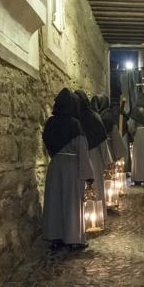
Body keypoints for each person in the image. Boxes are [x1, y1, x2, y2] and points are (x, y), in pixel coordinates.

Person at [42, 89, 94, 250]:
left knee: (55, 202)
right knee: (72, 204)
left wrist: (56, 156)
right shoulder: (74, 124)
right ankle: (73, 238)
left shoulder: (50, 123)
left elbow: (47, 143)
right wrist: (88, 175)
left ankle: (55, 237)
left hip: (56, 164)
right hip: (71, 166)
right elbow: (82, 148)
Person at [74, 90, 113, 211]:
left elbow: (101, 138)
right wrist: (107, 160)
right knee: (92, 185)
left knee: (94, 186)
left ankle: (94, 217)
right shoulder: (92, 116)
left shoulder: (79, 118)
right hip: (92, 156)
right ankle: (90, 217)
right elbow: (102, 139)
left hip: (88, 155)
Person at [91, 94, 127, 165]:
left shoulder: (94, 116)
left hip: (99, 151)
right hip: (107, 150)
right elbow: (115, 135)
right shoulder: (108, 116)